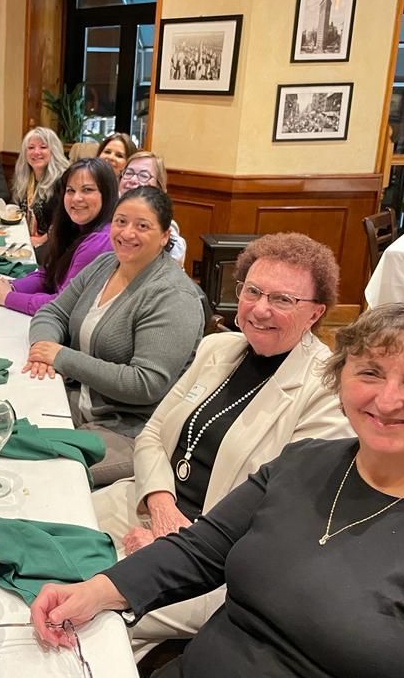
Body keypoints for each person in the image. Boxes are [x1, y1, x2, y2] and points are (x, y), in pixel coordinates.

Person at [32, 304, 404, 678]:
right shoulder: (304, 461)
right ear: (340, 376)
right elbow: (201, 549)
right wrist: (98, 590)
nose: (386, 401)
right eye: (369, 373)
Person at [92, 232, 350, 657]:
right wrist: (160, 506)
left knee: (89, 616)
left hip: (215, 564)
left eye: (283, 300)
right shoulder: (218, 349)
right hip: (144, 504)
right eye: (253, 290)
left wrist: (179, 542)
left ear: (315, 313)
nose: (261, 308)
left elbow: (282, 511)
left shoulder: (325, 388)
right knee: (42, 543)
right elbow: (153, 435)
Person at [25, 186, 205, 486]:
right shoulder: (105, 265)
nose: (127, 233)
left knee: (43, 477)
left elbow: (146, 384)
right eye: (121, 221)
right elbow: (52, 313)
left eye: (142, 225)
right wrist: (42, 349)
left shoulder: (174, 297)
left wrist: (61, 357)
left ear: (164, 236)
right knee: (3, 426)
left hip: (130, 431)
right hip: (75, 402)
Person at [0, 158, 118, 316]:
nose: (76, 198)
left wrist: (8, 297)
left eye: (87, 190)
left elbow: (62, 305)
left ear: (107, 194)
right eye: (70, 190)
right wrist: (9, 285)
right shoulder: (75, 228)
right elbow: (48, 275)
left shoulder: (100, 240)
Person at [118, 151, 187, 265]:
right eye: (128, 173)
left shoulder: (166, 232)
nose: (133, 180)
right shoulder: (107, 212)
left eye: (144, 176)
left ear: (159, 188)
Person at [10, 126, 70, 250]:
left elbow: (66, 220)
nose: (36, 152)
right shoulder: (25, 178)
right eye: (31, 148)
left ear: (54, 151)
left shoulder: (63, 180)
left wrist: (41, 240)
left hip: (54, 244)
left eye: (43, 147)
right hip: (26, 239)